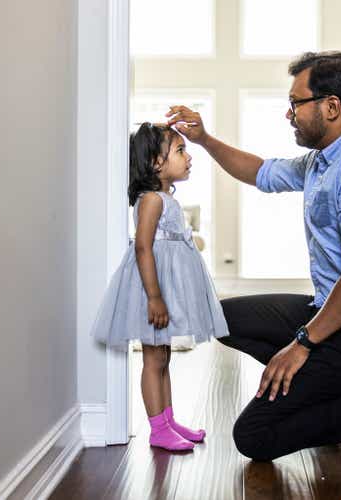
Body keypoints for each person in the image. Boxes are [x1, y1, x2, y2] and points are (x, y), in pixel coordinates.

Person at [166, 51, 341, 466]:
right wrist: (203, 139)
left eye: (296, 103)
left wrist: (302, 343)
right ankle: (327, 390)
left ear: (331, 106)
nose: (288, 114)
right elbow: (260, 171)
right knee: (219, 318)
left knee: (254, 436)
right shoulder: (323, 160)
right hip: (336, 316)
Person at [90, 122, 229, 451]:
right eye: (180, 151)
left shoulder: (166, 198)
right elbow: (143, 247)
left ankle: (168, 420)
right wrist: (154, 297)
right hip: (152, 290)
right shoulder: (151, 200)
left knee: (163, 356)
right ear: (155, 162)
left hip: (165, 287)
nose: (188, 157)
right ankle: (157, 429)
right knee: (153, 359)